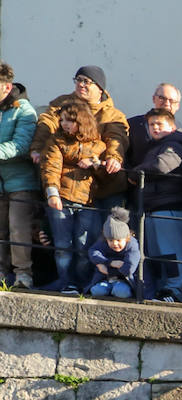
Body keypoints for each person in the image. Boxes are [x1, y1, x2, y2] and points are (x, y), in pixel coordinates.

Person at [39, 100, 104, 293]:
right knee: (62, 245)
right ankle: (66, 282)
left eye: (70, 120)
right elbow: (50, 168)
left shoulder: (98, 145)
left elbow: (107, 176)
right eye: (63, 120)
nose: (64, 124)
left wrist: (94, 163)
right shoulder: (56, 141)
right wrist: (52, 193)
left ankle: (82, 283)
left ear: (82, 121)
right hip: (63, 198)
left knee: (84, 245)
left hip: (87, 202)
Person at [129, 107, 182, 301]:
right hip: (153, 206)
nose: (155, 128)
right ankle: (163, 290)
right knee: (157, 254)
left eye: (159, 124)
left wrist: (134, 173)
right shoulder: (156, 146)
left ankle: (173, 291)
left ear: (172, 127)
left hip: (168, 205)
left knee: (170, 253)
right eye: (151, 124)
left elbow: (162, 165)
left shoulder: (174, 143)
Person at [0, 62, 38, 290]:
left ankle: (23, 275)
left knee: (18, 229)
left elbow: (21, 145)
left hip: (20, 182)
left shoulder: (23, 110)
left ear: (7, 87)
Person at [86, 206, 140, 299]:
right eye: (110, 240)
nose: (115, 243)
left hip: (125, 280)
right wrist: (109, 262)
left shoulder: (132, 245)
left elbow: (129, 269)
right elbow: (93, 251)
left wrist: (106, 266)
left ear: (126, 238)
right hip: (106, 279)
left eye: (118, 240)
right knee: (96, 290)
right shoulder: (103, 242)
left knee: (121, 291)